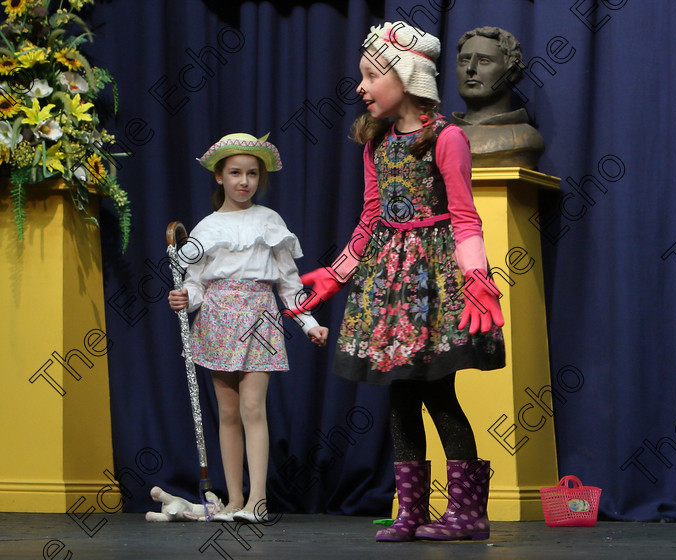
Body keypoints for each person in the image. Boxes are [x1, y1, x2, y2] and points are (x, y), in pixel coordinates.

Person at [292, 22, 505, 541]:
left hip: (432, 284)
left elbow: (465, 216)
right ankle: (410, 511)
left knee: (438, 394)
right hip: (388, 285)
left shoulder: (447, 139)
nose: (361, 87)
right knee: (400, 397)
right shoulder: (376, 142)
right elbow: (370, 219)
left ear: (406, 76)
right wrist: (337, 275)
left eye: (370, 75)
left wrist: (476, 277)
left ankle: (468, 513)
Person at [168, 133, 328, 523]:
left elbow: (289, 284)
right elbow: (196, 282)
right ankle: (234, 499)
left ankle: (258, 500)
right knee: (227, 412)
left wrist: (309, 323)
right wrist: (186, 298)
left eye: (252, 173)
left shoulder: (270, 221)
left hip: (259, 316)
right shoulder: (206, 227)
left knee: (252, 406)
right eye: (236, 173)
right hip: (217, 318)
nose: (244, 181)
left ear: (260, 178)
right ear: (219, 176)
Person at [451, 26, 545, 169]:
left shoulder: (523, 139)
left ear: (511, 72)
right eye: (464, 60)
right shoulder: (439, 137)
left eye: (484, 61)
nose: (470, 68)